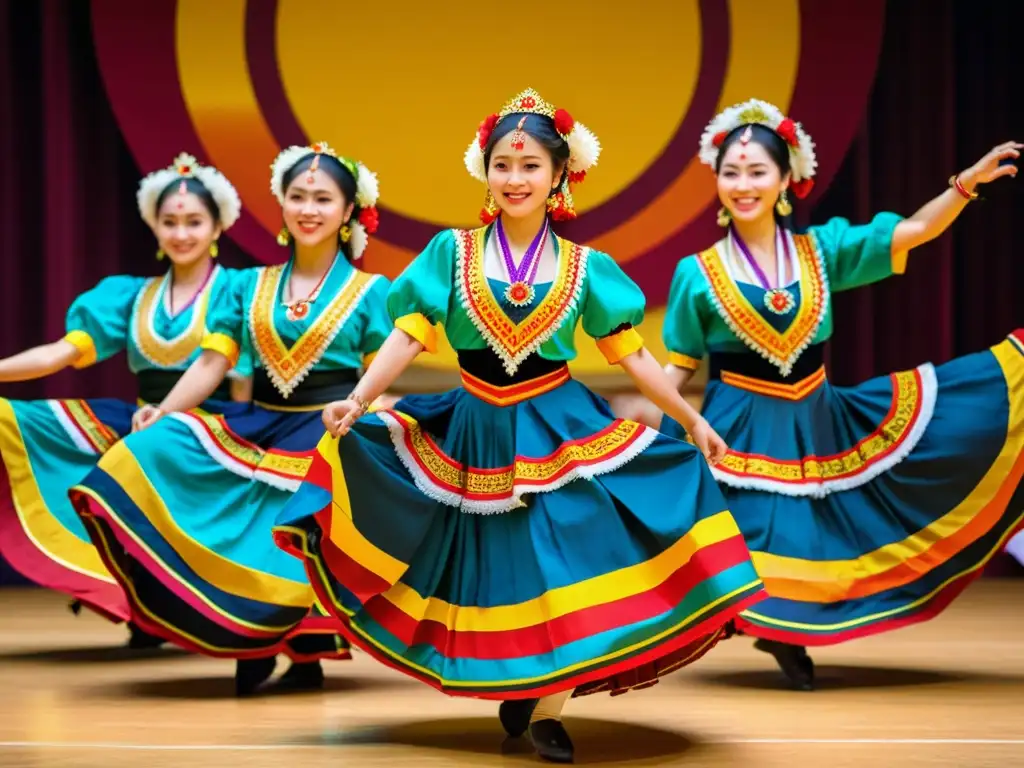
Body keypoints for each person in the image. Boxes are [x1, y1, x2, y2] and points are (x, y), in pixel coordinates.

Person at [272, 89, 766, 763]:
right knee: (497, 568)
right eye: (503, 164)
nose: (514, 178)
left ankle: (548, 708)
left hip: (557, 424)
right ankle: (522, 682)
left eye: (530, 166)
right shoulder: (452, 252)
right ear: (485, 171)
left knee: (566, 563)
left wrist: (691, 420)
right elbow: (410, 332)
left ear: (559, 176)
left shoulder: (586, 268)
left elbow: (633, 354)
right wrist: (358, 399)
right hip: (475, 426)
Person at [645, 98, 1023, 690]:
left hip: (818, 422)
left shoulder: (821, 252)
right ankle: (773, 629)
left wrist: (965, 185)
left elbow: (916, 231)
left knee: (827, 534)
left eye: (756, 172)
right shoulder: (698, 273)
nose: (743, 185)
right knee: (755, 540)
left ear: (785, 180)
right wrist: (653, 424)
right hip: (740, 429)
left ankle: (787, 631)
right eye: (731, 173)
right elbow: (680, 367)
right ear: (715, 181)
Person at [69, 142, 392, 695]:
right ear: (281, 206)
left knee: (300, 532)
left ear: (347, 213)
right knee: (161, 452)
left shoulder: (372, 292)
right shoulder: (247, 286)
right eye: (297, 196)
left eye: (322, 198)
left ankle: (305, 651)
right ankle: (251, 640)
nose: (308, 209)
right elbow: (213, 361)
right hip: (262, 421)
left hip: (327, 430)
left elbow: (380, 369)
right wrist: (164, 411)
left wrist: (369, 409)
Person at [0, 153, 249, 646]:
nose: (181, 234)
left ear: (217, 225)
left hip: (219, 425)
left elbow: (241, 381)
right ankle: (142, 605)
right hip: (144, 419)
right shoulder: (131, 297)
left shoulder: (237, 291)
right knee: (26, 424)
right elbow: (63, 352)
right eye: (170, 222)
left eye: (194, 222)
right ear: (154, 228)